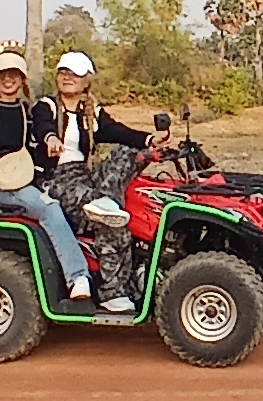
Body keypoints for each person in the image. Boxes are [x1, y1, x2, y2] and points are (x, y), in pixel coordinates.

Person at [0, 47, 99, 307]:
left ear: (22, 79)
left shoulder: (27, 113)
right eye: (2, 74)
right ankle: (78, 278)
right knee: (50, 211)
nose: (8, 79)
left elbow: (44, 139)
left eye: (13, 74)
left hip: (27, 181)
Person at [31, 48, 166, 313]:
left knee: (129, 152)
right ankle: (112, 292)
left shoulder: (90, 112)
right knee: (113, 225)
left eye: (75, 74)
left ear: (86, 81)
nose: (68, 78)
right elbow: (42, 126)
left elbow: (117, 131)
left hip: (83, 174)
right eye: (64, 72)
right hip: (56, 179)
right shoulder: (45, 107)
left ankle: (108, 202)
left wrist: (149, 141)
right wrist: (50, 139)